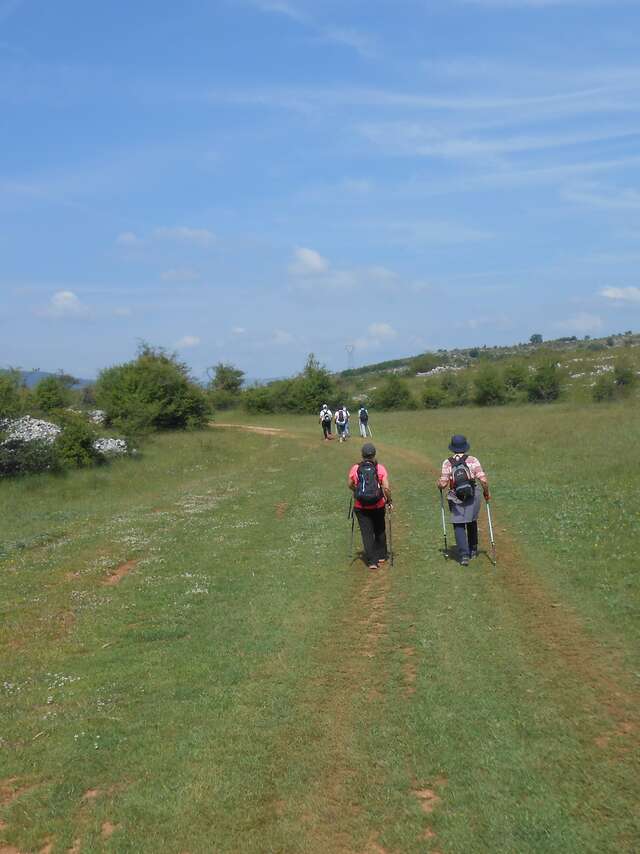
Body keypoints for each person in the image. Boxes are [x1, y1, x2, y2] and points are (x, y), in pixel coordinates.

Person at [437, 434, 490, 566]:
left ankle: (464, 555)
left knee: (459, 523)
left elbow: (443, 484)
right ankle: (473, 548)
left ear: (453, 448)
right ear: (465, 447)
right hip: (473, 493)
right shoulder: (473, 460)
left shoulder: (447, 462)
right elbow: (483, 480)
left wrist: (439, 484)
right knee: (472, 520)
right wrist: (486, 493)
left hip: (455, 496)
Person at [348, 443, 393, 570]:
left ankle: (372, 561)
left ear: (362, 455)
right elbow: (386, 488)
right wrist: (389, 501)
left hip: (361, 506)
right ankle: (382, 555)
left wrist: (356, 490)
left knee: (366, 533)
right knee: (379, 529)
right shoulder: (380, 468)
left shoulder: (356, 468)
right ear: (374, 454)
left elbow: (350, 484)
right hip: (378, 505)